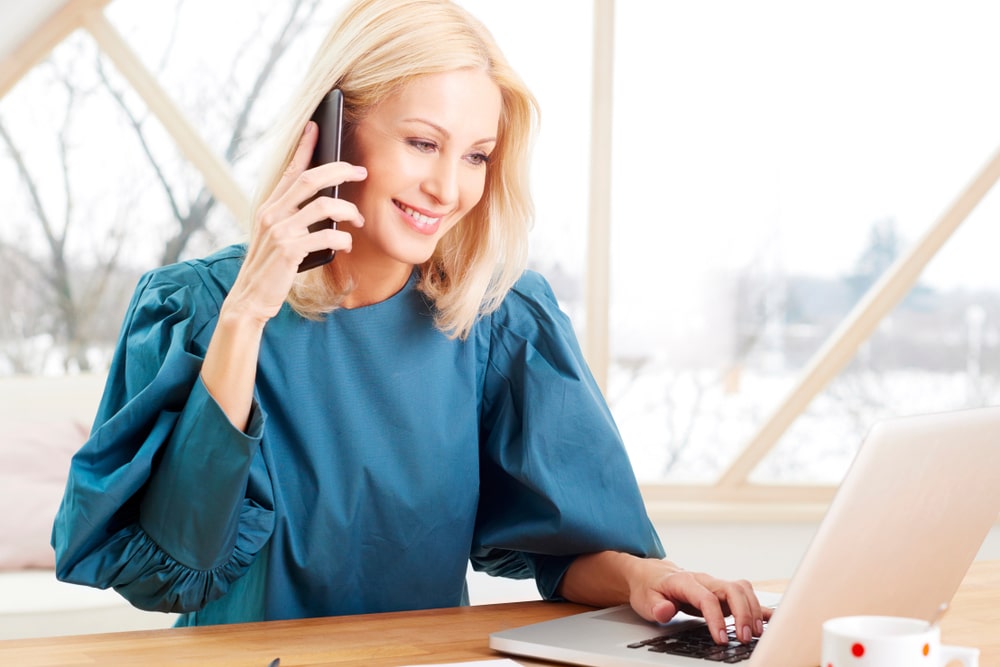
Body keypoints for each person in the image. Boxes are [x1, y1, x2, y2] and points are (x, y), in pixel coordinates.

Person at [52, 0, 768, 647]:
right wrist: (246, 314)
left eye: (477, 155)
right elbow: (171, 573)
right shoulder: (194, 309)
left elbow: (562, 548)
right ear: (336, 130)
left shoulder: (500, 322)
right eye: (424, 143)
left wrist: (648, 576)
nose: (449, 188)